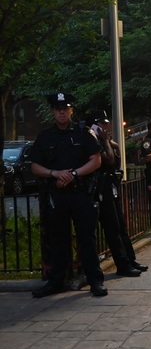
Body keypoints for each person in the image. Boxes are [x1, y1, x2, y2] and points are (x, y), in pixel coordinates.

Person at [30, 93, 108, 297]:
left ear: (71, 110)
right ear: (52, 112)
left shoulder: (84, 133)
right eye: (58, 108)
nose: (62, 112)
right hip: (57, 195)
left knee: (86, 238)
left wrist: (73, 174)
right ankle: (57, 281)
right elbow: (35, 167)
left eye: (65, 108)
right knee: (58, 239)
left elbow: (96, 160)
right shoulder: (45, 136)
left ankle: (95, 281)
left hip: (81, 193)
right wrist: (54, 173)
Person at [88, 110, 147, 276]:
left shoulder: (104, 141)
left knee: (120, 226)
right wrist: (106, 142)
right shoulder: (93, 141)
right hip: (101, 189)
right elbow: (109, 159)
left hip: (110, 185)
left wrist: (113, 145)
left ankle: (130, 260)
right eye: (102, 124)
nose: (105, 127)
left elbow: (116, 161)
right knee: (112, 228)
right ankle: (123, 264)